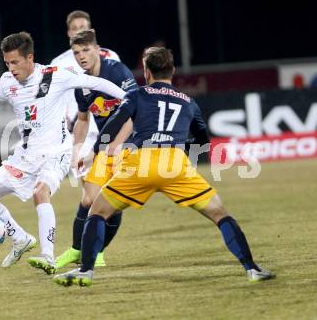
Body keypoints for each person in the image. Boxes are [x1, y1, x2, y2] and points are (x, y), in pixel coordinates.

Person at [53, 47, 275, 286]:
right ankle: (252, 268)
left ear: (147, 72)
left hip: (140, 164)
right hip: (175, 165)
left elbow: (113, 125)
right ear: (173, 71)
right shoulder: (189, 102)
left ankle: (86, 270)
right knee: (220, 214)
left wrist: (94, 153)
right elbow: (203, 142)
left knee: (97, 213)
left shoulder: (136, 95)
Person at [0, 31, 126, 275]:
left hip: (57, 152)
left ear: (30, 58)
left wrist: (130, 98)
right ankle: (21, 239)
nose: (11, 68)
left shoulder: (55, 75)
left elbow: (96, 83)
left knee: (40, 193)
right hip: (25, 156)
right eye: (7, 63)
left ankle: (48, 256)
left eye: (15, 62)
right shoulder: (7, 83)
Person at [54, 30, 137, 269]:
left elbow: (134, 113)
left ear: (98, 49)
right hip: (104, 145)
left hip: (129, 143)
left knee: (111, 200)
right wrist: (76, 150)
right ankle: (75, 250)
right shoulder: (82, 84)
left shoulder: (118, 72)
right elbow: (82, 120)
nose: (81, 56)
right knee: (89, 198)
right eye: (76, 52)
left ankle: (98, 252)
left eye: (86, 50)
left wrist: (113, 146)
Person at [51, 10, 120, 149]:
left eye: (82, 27)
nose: (78, 32)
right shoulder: (58, 64)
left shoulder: (110, 56)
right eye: (74, 28)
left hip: (109, 128)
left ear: (90, 31)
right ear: (69, 33)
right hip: (79, 131)